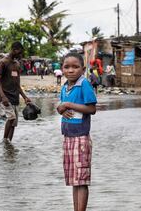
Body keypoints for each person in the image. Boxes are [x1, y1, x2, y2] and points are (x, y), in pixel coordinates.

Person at [57, 52, 97, 211]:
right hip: (68, 137)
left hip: (80, 138)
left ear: (83, 69)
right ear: (62, 69)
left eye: (75, 67)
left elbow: (91, 109)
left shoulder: (84, 84)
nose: (71, 70)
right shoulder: (65, 87)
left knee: (81, 180)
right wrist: (60, 108)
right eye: (67, 67)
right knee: (74, 180)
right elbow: (62, 106)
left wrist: (68, 105)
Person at [0, 41, 32, 141]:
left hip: (15, 97)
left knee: (14, 123)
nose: (20, 55)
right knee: (11, 118)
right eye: (19, 52)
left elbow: (17, 84)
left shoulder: (17, 64)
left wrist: (25, 97)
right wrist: (2, 96)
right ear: (14, 50)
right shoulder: (2, 63)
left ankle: (9, 145)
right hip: (5, 97)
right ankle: (4, 141)